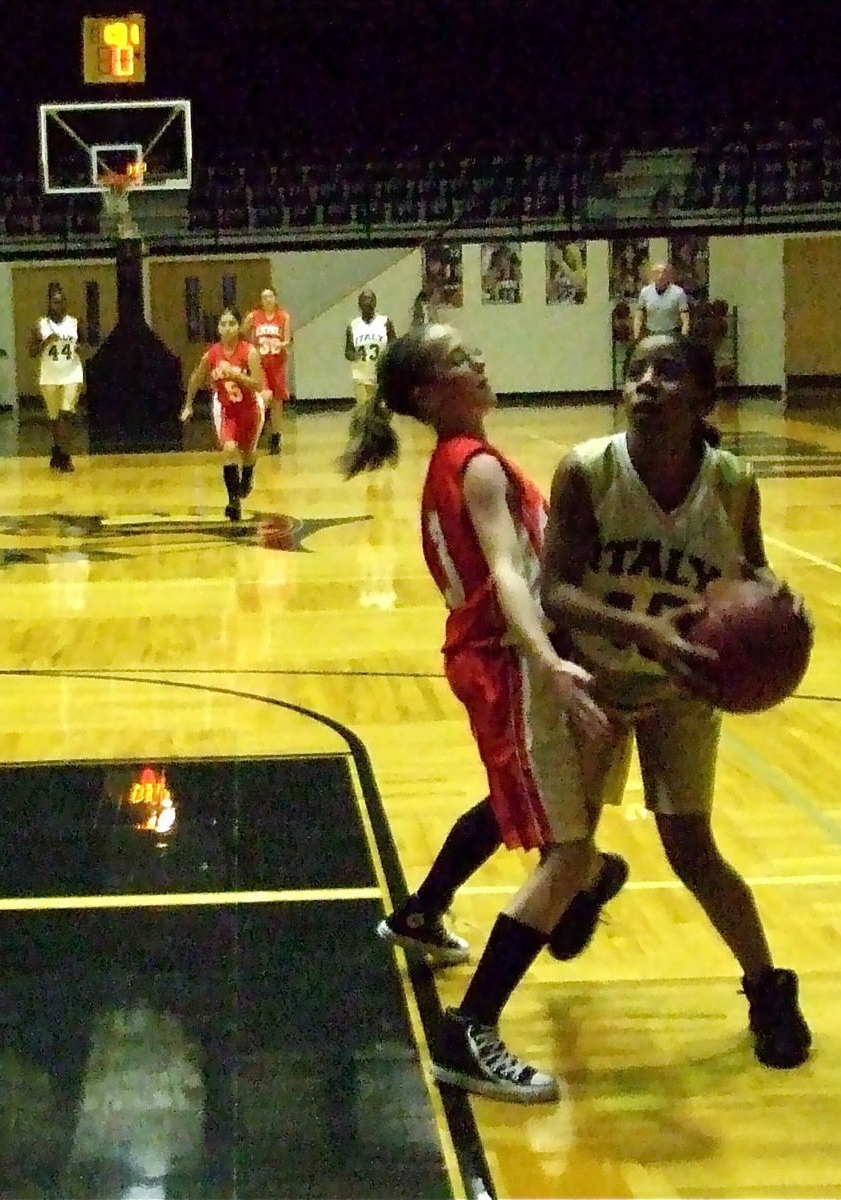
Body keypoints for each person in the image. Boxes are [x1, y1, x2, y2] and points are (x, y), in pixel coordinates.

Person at [339, 324, 656, 1104]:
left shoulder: (469, 459)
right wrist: (547, 660)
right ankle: (470, 1029)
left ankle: (433, 911)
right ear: (425, 393)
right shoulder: (475, 467)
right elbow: (510, 575)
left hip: (510, 658)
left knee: (535, 807)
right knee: (567, 850)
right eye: (457, 359)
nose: (478, 360)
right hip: (511, 661)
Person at [539, 332, 813, 1070]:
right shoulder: (588, 471)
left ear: (702, 399)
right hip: (595, 676)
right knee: (563, 852)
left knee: (691, 848)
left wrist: (777, 596)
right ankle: (594, 880)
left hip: (682, 685)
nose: (647, 384)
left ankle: (767, 987)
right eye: (635, 372)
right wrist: (641, 631)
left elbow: (747, 568)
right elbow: (553, 591)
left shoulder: (730, 481)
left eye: (667, 372)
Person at [180, 307, 267, 522]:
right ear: (218, 328)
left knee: (247, 454)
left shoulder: (249, 352)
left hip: (250, 409)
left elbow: (258, 384)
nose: (227, 328)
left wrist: (237, 376)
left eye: (231, 324)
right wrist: (188, 405)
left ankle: (248, 474)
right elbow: (196, 378)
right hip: (226, 409)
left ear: (238, 328)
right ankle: (233, 501)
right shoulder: (212, 354)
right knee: (228, 449)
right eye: (223, 324)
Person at [27, 286, 83, 472]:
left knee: (67, 414)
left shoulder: (74, 323)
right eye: (55, 302)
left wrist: (79, 348)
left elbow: (85, 342)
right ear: (49, 304)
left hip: (71, 373)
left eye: (61, 302)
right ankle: (57, 449)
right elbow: (31, 352)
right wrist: (46, 342)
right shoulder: (41, 325)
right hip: (49, 375)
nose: (58, 306)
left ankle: (66, 455)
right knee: (54, 417)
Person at [241, 286, 292, 455]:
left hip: (276, 362)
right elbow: (242, 332)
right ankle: (257, 432)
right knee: (261, 398)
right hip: (260, 363)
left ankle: (276, 437)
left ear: (275, 298)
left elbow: (287, 340)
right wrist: (250, 346)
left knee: (277, 401)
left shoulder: (283, 317)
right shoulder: (254, 316)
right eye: (264, 297)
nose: (267, 300)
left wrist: (280, 344)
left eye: (270, 296)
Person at [344, 290, 396, 413]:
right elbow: (348, 352)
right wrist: (354, 355)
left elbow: (394, 345)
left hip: (381, 376)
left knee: (383, 413)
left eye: (370, 298)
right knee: (364, 413)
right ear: (359, 304)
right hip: (361, 376)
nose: (368, 302)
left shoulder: (385, 322)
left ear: (375, 302)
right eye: (364, 299)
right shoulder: (353, 326)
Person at [636, 263, 691, 339]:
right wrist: (637, 337)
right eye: (657, 273)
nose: (660, 276)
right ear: (652, 275)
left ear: (668, 275)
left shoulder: (678, 292)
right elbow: (639, 318)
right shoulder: (645, 292)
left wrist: (683, 337)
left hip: (672, 335)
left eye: (663, 273)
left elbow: (685, 320)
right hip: (652, 335)